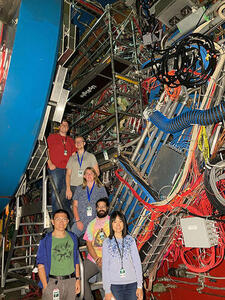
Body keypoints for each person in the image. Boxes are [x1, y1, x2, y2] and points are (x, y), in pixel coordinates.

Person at [36, 209, 80, 300]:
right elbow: (40, 265)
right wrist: (45, 286)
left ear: (67, 221)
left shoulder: (73, 237)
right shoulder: (46, 240)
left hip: (71, 281)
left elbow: (76, 260)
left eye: (64, 219)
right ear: (53, 222)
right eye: (58, 219)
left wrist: (78, 280)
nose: (61, 222)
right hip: (52, 282)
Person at [102, 211, 143, 300]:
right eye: (115, 222)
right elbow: (105, 267)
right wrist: (107, 290)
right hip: (115, 285)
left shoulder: (130, 240)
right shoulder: (107, 242)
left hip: (132, 284)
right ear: (111, 224)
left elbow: (137, 263)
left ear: (124, 223)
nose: (118, 225)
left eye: (120, 221)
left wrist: (139, 286)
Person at [83, 198, 110, 300]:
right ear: (96, 208)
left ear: (107, 208)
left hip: (108, 260)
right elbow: (88, 244)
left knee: (110, 282)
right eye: (99, 207)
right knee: (80, 277)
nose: (101, 209)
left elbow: (115, 243)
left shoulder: (113, 222)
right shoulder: (91, 224)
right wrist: (97, 259)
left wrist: (104, 258)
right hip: (94, 259)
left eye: (103, 206)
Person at [47, 120, 76, 213]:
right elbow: (46, 151)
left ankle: (65, 215)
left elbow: (74, 155)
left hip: (68, 170)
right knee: (56, 192)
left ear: (68, 128)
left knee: (67, 193)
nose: (64, 126)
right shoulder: (52, 137)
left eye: (66, 125)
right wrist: (49, 163)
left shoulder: (71, 140)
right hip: (56, 169)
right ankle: (56, 215)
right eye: (62, 125)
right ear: (59, 127)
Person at [71, 167, 108, 238]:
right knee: (72, 237)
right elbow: (75, 206)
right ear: (84, 176)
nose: (89, 175)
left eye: (91, 173)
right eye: (87, 174)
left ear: (94, 175)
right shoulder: (79, 188)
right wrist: (78, 221)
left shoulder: (101, 189)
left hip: (96, 221)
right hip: (81, 220)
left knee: (98, 242)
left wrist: (100, 221)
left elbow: (104, 206)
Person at [66, 136, 100, 200]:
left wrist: (90, 185)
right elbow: (68, 174)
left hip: (86, 186)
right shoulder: (72, 158)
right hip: (73, 186)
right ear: (75, 145)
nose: (78, 143)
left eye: (80, 141)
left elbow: (97, 172)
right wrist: (68, 189)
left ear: (84, 143)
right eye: (76, 142)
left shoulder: (91, 156)